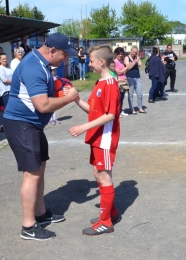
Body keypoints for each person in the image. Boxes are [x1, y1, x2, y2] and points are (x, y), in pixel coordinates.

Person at [2, 32, 78, 241]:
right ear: (52, 50)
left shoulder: (41, 62)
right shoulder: (34, 66)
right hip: (22, 124)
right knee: (32, 173)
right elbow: (42, 105)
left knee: (40, 167)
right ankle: (28, 226)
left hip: (32, 125)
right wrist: (68, 98)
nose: (66, 59)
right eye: (64, 55)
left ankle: (41, 213)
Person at [69, 45, 121, 236]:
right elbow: (92, 110)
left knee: (105, 177)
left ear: (101, 62)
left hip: (105, 139)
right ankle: (111, 212)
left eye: (91, 61)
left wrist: (83, 127)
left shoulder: (110, 84)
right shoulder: (99, 84)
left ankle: (105, 222)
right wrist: (75, 99)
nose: (88, 64)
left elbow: (110, 115)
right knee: (97, 174)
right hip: (97, 138)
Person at [124, 46, 146, 114]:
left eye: (136, 52)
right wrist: (134, 61)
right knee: (130, 94)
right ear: (131, 51)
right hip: (129, 77)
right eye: (133, 52)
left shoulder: (137, 57)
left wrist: (137, 58)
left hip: (137, 77)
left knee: (139, 93)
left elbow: (140, 65)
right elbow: (128, 67)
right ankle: (132, 109)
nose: (134, 53)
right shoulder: (126, 58)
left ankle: (140, 107)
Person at [0, 53, 13, 132]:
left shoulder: (9, 68)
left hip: (12, 90)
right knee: (7, 109)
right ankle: (1, 124)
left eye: (6, 58)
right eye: (3, 59)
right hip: (5, 91)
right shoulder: (0, 68)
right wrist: (15, 82)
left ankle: (6, 124)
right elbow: (4, 80)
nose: (5, 60)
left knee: (10, 109)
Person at [113, 47, 130, 117]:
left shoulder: (122, 61)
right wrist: (126, 68)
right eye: (119, 54)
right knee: (119, 97)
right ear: (116, 54)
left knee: (122, 97)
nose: (120, 55)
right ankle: (117, 112)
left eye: (121, 54)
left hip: (124, 79)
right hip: (119, 81)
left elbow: (124, 71)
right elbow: (118, 72)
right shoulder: (114, 62)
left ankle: (120, 110)